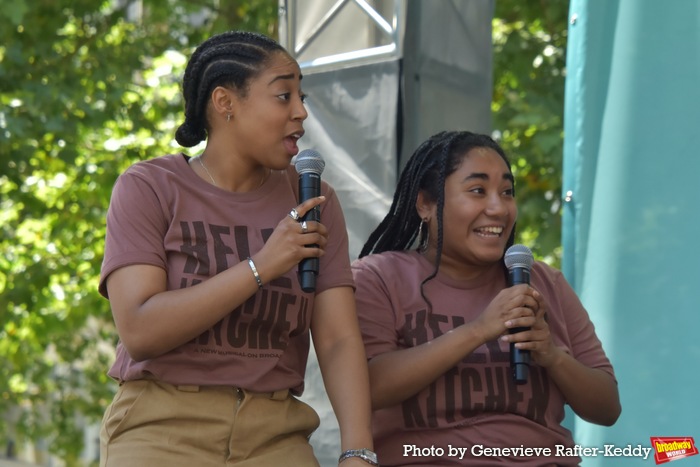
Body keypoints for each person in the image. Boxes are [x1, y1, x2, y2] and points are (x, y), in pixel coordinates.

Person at [98, 30, 377, 467]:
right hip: (161, 428)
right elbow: (140, 331)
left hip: (276, 435)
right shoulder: (150, 187)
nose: (302, 112)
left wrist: (358, 451)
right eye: (284, 95)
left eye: (302, 96)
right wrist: (261, 266)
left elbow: (339, 340)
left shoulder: (314, 200)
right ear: (225, 102)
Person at [351, 130, 621, 466]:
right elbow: (366, 389)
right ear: (425, 204)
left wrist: (552, 355)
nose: (498, 208)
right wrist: (479, 330)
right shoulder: (378, 278)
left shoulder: (544, 283)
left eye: (507, 192)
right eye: (478, 190)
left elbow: (607, 407)